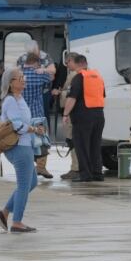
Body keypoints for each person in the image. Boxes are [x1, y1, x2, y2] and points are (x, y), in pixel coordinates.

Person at [0, 68, 44, 233]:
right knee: (24, 185)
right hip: (18, 147)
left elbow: (23, 122)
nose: (24, 80)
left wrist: (34, 126)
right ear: (11, 83)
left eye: (23, 77)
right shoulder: (10, 101)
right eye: (20, 78)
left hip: (24, 145)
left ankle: (5, 212)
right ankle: (17, 222)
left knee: (32, 182)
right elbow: (18, 126)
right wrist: (34, 129)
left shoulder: (20, 98)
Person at [63, 55, 106, 182]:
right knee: (95, 145)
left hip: (83, 117)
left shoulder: (79, 77)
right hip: (99, 116)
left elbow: (72, 98)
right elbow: (103, 95)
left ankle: (85, 174)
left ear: (76, 64)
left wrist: (65, 114)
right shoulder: (98, 77)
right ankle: (97, 173)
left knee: (81, 146)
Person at [21, 54, 53, 179]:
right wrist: (44, 69)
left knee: (25, 142)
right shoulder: (39, 74)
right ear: (36, 63)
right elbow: (51, 76)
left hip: (23, 115)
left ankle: (27, 168)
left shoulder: (18, 75)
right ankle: (41, 167)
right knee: (42, 141)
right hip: (37, 114)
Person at [54, 52, 80, 180]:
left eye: (67, 62)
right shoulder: (83, 74)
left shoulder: (74, 75)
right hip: (79, 113)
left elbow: (70, 95)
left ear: (71, 61)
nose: (66, 65)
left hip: (71, 112)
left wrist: (59, 93)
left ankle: (75, 168)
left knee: (71, 140)